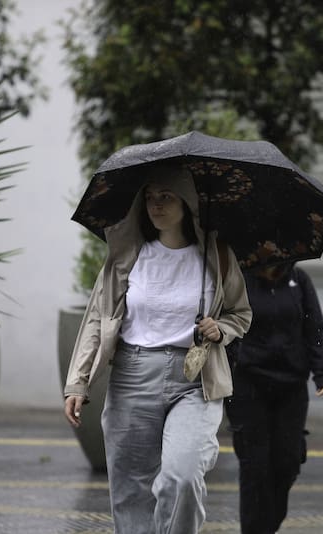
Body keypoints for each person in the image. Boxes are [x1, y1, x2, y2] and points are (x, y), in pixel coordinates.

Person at [63, 165, 251, 534]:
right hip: (133, 375)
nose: (156, 205)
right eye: (149, 197)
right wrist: (78, 382)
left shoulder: (218, 257)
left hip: (195, 379)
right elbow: (97, 320)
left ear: (188, 203)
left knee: (181, 475)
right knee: (131, 491)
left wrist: (221, 329)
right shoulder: (127, 256)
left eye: (165, 197)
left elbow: (240, 314)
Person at [224, 262, 323, 534]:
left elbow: (315, 327)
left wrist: (322, 372)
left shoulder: (299, 280)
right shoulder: (239, 281)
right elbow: (227, 325)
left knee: (287, 462)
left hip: (291, 385)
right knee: (254, 466)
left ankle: (267, 527)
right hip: (248, 384)